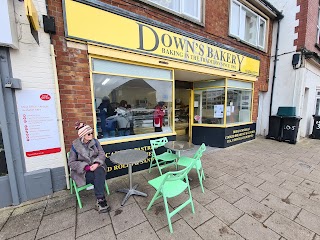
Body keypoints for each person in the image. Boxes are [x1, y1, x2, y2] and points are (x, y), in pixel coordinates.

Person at [68, 122, 111, 213]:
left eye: (91, 133)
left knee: (99, 172)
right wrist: (86, 167)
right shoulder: (75, 146)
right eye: (89, 134)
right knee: (98, 177)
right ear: (83, 135)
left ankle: (100, 199)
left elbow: (102, 154)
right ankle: (101, 200)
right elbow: (71, 163)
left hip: (97, 166)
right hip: (83, 171)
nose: (91, 135)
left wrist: (96, 163)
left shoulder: (95, 142)